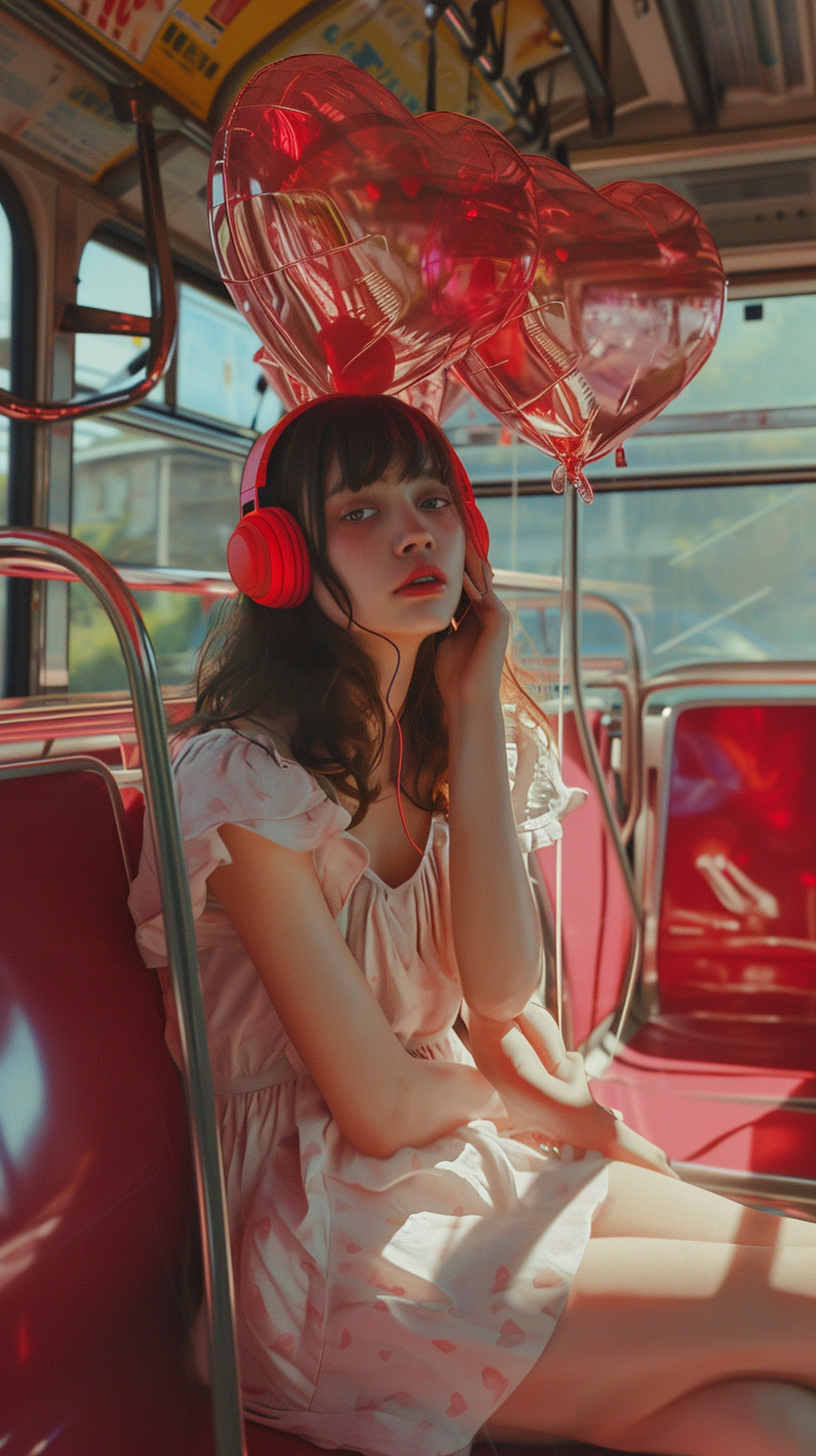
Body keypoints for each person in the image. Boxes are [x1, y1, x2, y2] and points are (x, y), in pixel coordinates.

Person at [130, 394, 816, 1456]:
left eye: (434, 498)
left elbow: (499, 994)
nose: (415, 530)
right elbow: (381, 1104)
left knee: (776, 1426)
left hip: (461, 1169)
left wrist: (477, 698)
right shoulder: (241, 783)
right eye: (360, 509)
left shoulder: (450, 745)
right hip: (315, 1255)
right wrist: (531, 1104)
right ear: (280, 561)